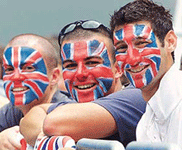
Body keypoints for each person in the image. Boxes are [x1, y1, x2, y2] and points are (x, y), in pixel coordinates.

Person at [20, 20, 146, 148]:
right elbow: (32, 117)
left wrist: (55, 140)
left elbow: (52, 124)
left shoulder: (137, 96)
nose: (80, 74)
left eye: (91, 63)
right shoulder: (80, 105)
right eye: (71, 65)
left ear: (118, 69)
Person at [110, 0, 181, 147]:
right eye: (122, 48)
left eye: (141, 43)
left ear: (170, 42)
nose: (132, 59)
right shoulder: (145, 123)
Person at [0, 33, 72, 150]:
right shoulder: (12, 110)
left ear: (54, 77)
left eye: (28, 68)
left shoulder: (67, 109)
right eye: (9, 69)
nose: (16, 77)